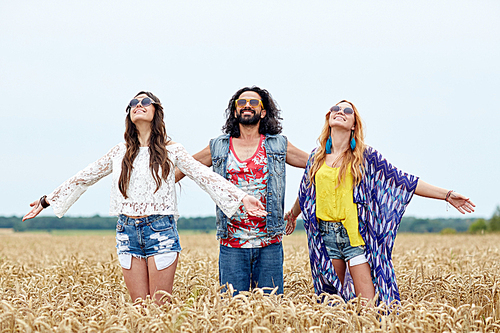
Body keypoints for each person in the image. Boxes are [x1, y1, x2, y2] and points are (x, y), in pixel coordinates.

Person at [22, 91, 267, 305]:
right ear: (129, 114)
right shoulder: (119, 152)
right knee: (140, 310)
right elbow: (84, 177)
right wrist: (46, 201)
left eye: (145, 101)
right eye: (133, 102)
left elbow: (204, 176)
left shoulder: (172, 151)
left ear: (156, 112)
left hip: (160, 231)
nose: (138, 104)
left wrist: (241, 197)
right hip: (126, 231)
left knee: (159, 309)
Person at [284, 100, 475, 305]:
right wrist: (293, 214)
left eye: (347, 110)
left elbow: (404, 181)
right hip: (325, 237)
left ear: (354, 124)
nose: (340, 112)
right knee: (330, 304)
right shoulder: (316, 157)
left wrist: (446, 195)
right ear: (328, 118)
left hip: (356, 238)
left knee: (369, 306)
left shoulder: (366, 157)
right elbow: (306, 193)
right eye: (335, 109)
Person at [176, 86, 308, 295]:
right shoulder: (218, 146)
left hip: (269, 242)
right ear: (235, 111)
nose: (247, 105)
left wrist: (294, 212)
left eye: (254, 102)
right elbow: (184, 168)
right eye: (241, 102)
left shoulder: (278, 144)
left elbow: (315, 165)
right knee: (232, 309)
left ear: (263, 112)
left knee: (270, 311)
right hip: (232, 244)